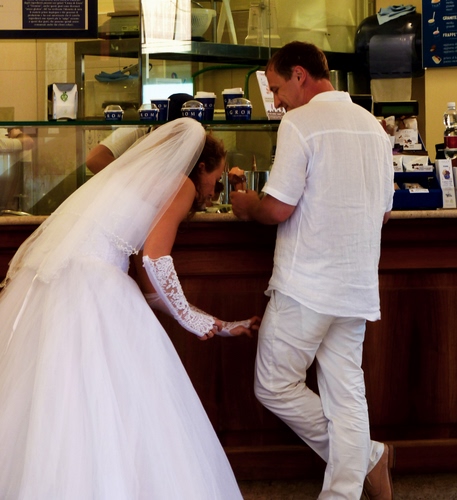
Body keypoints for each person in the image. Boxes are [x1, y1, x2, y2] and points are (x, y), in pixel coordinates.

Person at [0, 118, 259, 499]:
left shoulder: (138, 184)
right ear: (199, 166)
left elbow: (152, 288)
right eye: (215, 179)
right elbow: (155, 261)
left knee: (61, 398)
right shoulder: (181, 184)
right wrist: (192, 320)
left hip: (59, 280)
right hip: (93, 285)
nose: (213, 190)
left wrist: (214, 323)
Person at [230, 41, 395, 500]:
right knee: (347, 394)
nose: (276, 99)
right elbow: (383, 214)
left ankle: (368, 457)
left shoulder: (300, 123)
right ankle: (355, 474)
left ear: (300, 75)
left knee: (273, 384)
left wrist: (247, 206)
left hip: (305, 285)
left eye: (276, 87)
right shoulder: (375, 128)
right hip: (356, 284)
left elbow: (278, 208)